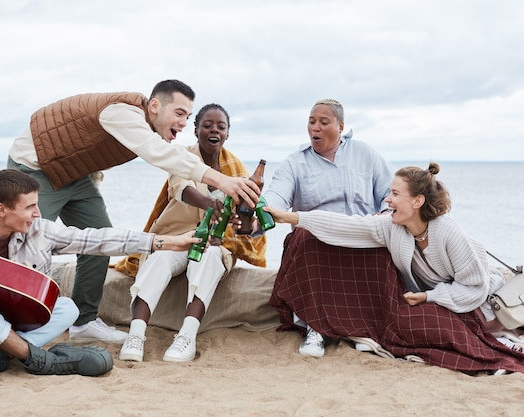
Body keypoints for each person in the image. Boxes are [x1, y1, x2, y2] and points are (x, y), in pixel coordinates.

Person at [7, 79, 260, 345]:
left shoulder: (141, 123)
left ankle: (84, 322)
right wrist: (220, 181)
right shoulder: (123, 113)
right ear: (154, 106)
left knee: (99, 240)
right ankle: (11, 325)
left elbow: (90, 144)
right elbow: (158, 153)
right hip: (36, 168)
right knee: (26, 246)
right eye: (179, 113)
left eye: (187, 116)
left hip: (74, 176)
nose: (184, 122)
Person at [0, 169, 201, 382]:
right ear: (1, 209)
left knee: (66, 307)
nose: (38, 214)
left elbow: (98, 239)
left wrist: (162, 242)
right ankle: (37, 360)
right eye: (30, 207)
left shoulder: (39, 232)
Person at [266, 163, 524, 373]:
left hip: (479, 303)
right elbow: (347, 225)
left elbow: (474, 287)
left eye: (395, 194)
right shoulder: (392, 228)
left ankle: (498, 339)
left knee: (443, 328)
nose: (387, 200)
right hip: (443, 299)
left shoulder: (447, 231)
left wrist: (429, 296)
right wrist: (291, 217)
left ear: (417, 201)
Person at [118, 104, 267, 362]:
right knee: (161, 258)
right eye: (207, 125)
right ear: (196, 130)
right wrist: (210, 203)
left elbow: (251, 219)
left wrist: (246, 226)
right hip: (177, 237)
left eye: (221, 127)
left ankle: (186, 336)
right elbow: (181, 188)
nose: (214, 130)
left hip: (217, 245)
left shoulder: (236, 168)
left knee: (208, 257)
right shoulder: (181, 156)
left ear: (227, 134)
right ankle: (136, 335)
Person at [260, 98, 394, 357]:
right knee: (304, 236)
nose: (315, 128)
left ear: (340, 126)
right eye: (311, 122)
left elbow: (391, 193)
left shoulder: (365, 153)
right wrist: (260, 212)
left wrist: (385, 214)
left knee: (384, 242)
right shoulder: (294, 163)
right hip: (316, 238)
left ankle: (366, 329)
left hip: (358, 235)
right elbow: (276, 196)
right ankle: (314, 327)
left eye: (323, 122)